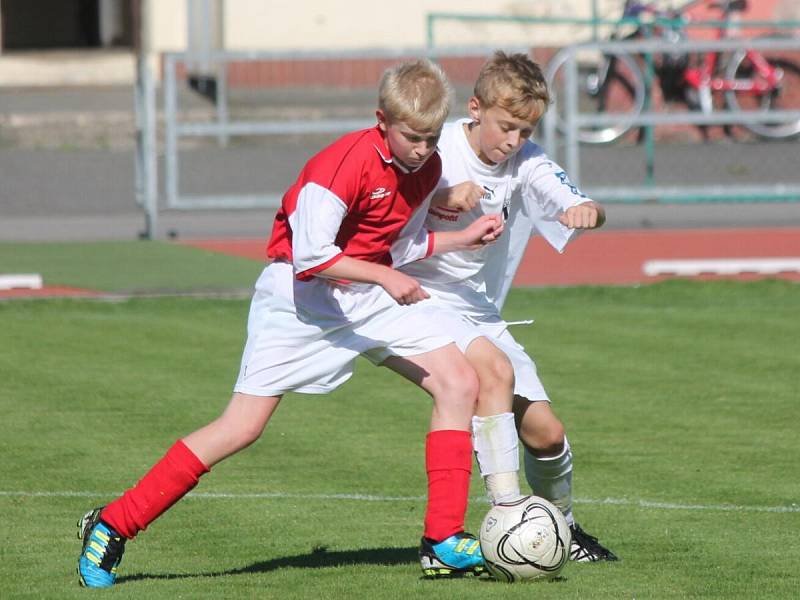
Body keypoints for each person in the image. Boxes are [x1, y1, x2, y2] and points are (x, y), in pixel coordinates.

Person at [76, 58, 509, 588]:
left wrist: (464, 238)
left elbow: (396, 245)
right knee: (241, 427)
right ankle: (115, 522)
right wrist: (384, 276)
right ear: (382, 120)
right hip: (300, 298)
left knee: (459, 380)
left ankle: (443, 540)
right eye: (411, 137)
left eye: (428, 137)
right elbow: (311, 257)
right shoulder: (340, 166)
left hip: (367, 295)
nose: (421, 149)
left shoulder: (429, 169)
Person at [398, 51, 618, 562]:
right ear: (475, 109)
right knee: (485, 376)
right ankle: (504, 511)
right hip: (414, 295)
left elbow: (576, 200)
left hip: (476, 308)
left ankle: (560, 528)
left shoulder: (527, 160)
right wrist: (441, 197)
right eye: (506, 127)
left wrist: (585, 210)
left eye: (525, 130)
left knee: (547, 432)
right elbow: (391, 198)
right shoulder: (440, 145)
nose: (514, 141)